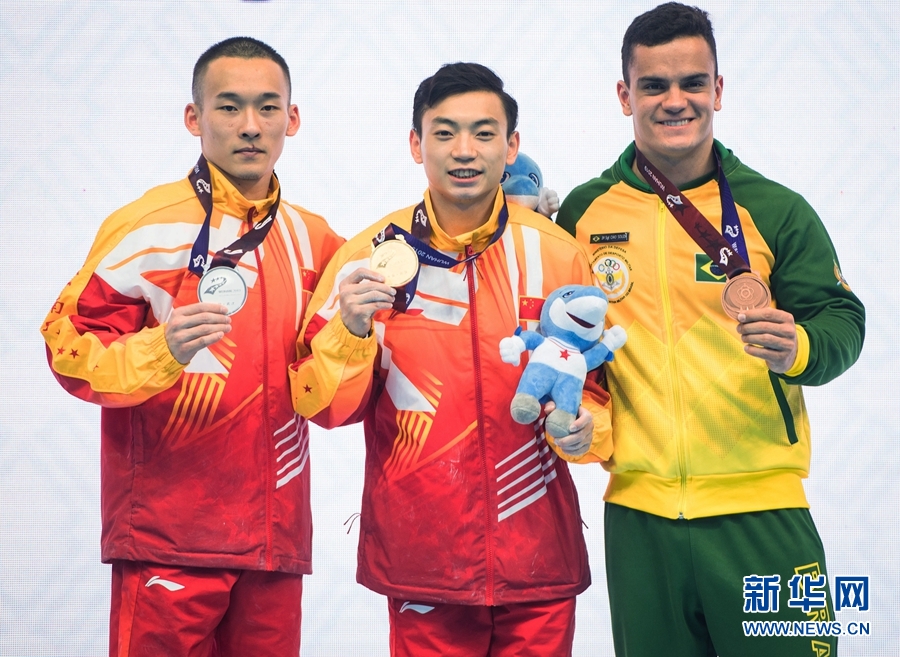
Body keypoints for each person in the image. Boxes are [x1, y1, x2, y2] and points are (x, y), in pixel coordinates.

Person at [556, 3, 865, 656]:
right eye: (654, 85)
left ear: (718, 89)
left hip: (763, 512)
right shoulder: (585, 212)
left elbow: (843, 320)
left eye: (692, 82)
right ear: (624, 96)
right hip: (639, 517)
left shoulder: (774, 208)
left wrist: (800, 347)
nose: (675, 100)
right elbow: (567, 345)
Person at [290, 62, 613, 656]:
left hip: (539, 552)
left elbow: (598, 387)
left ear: (511, 146)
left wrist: (592, 429)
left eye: (484, 133)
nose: (465, 150)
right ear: (417, 145)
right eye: (445, 133)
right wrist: (351, 330)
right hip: (422, 556)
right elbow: (323, 407)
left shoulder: (558, 254)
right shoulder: (367, 258)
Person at [40, 37, 342, 656]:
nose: (250, 125)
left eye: (267, 107)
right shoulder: (147, 226)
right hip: (166, 537)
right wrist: (162, 350)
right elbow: (66, 348)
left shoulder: (314, 240)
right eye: (229, 107)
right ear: (193, 117)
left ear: (292, 118)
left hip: (274, 540)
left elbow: (366, 347)